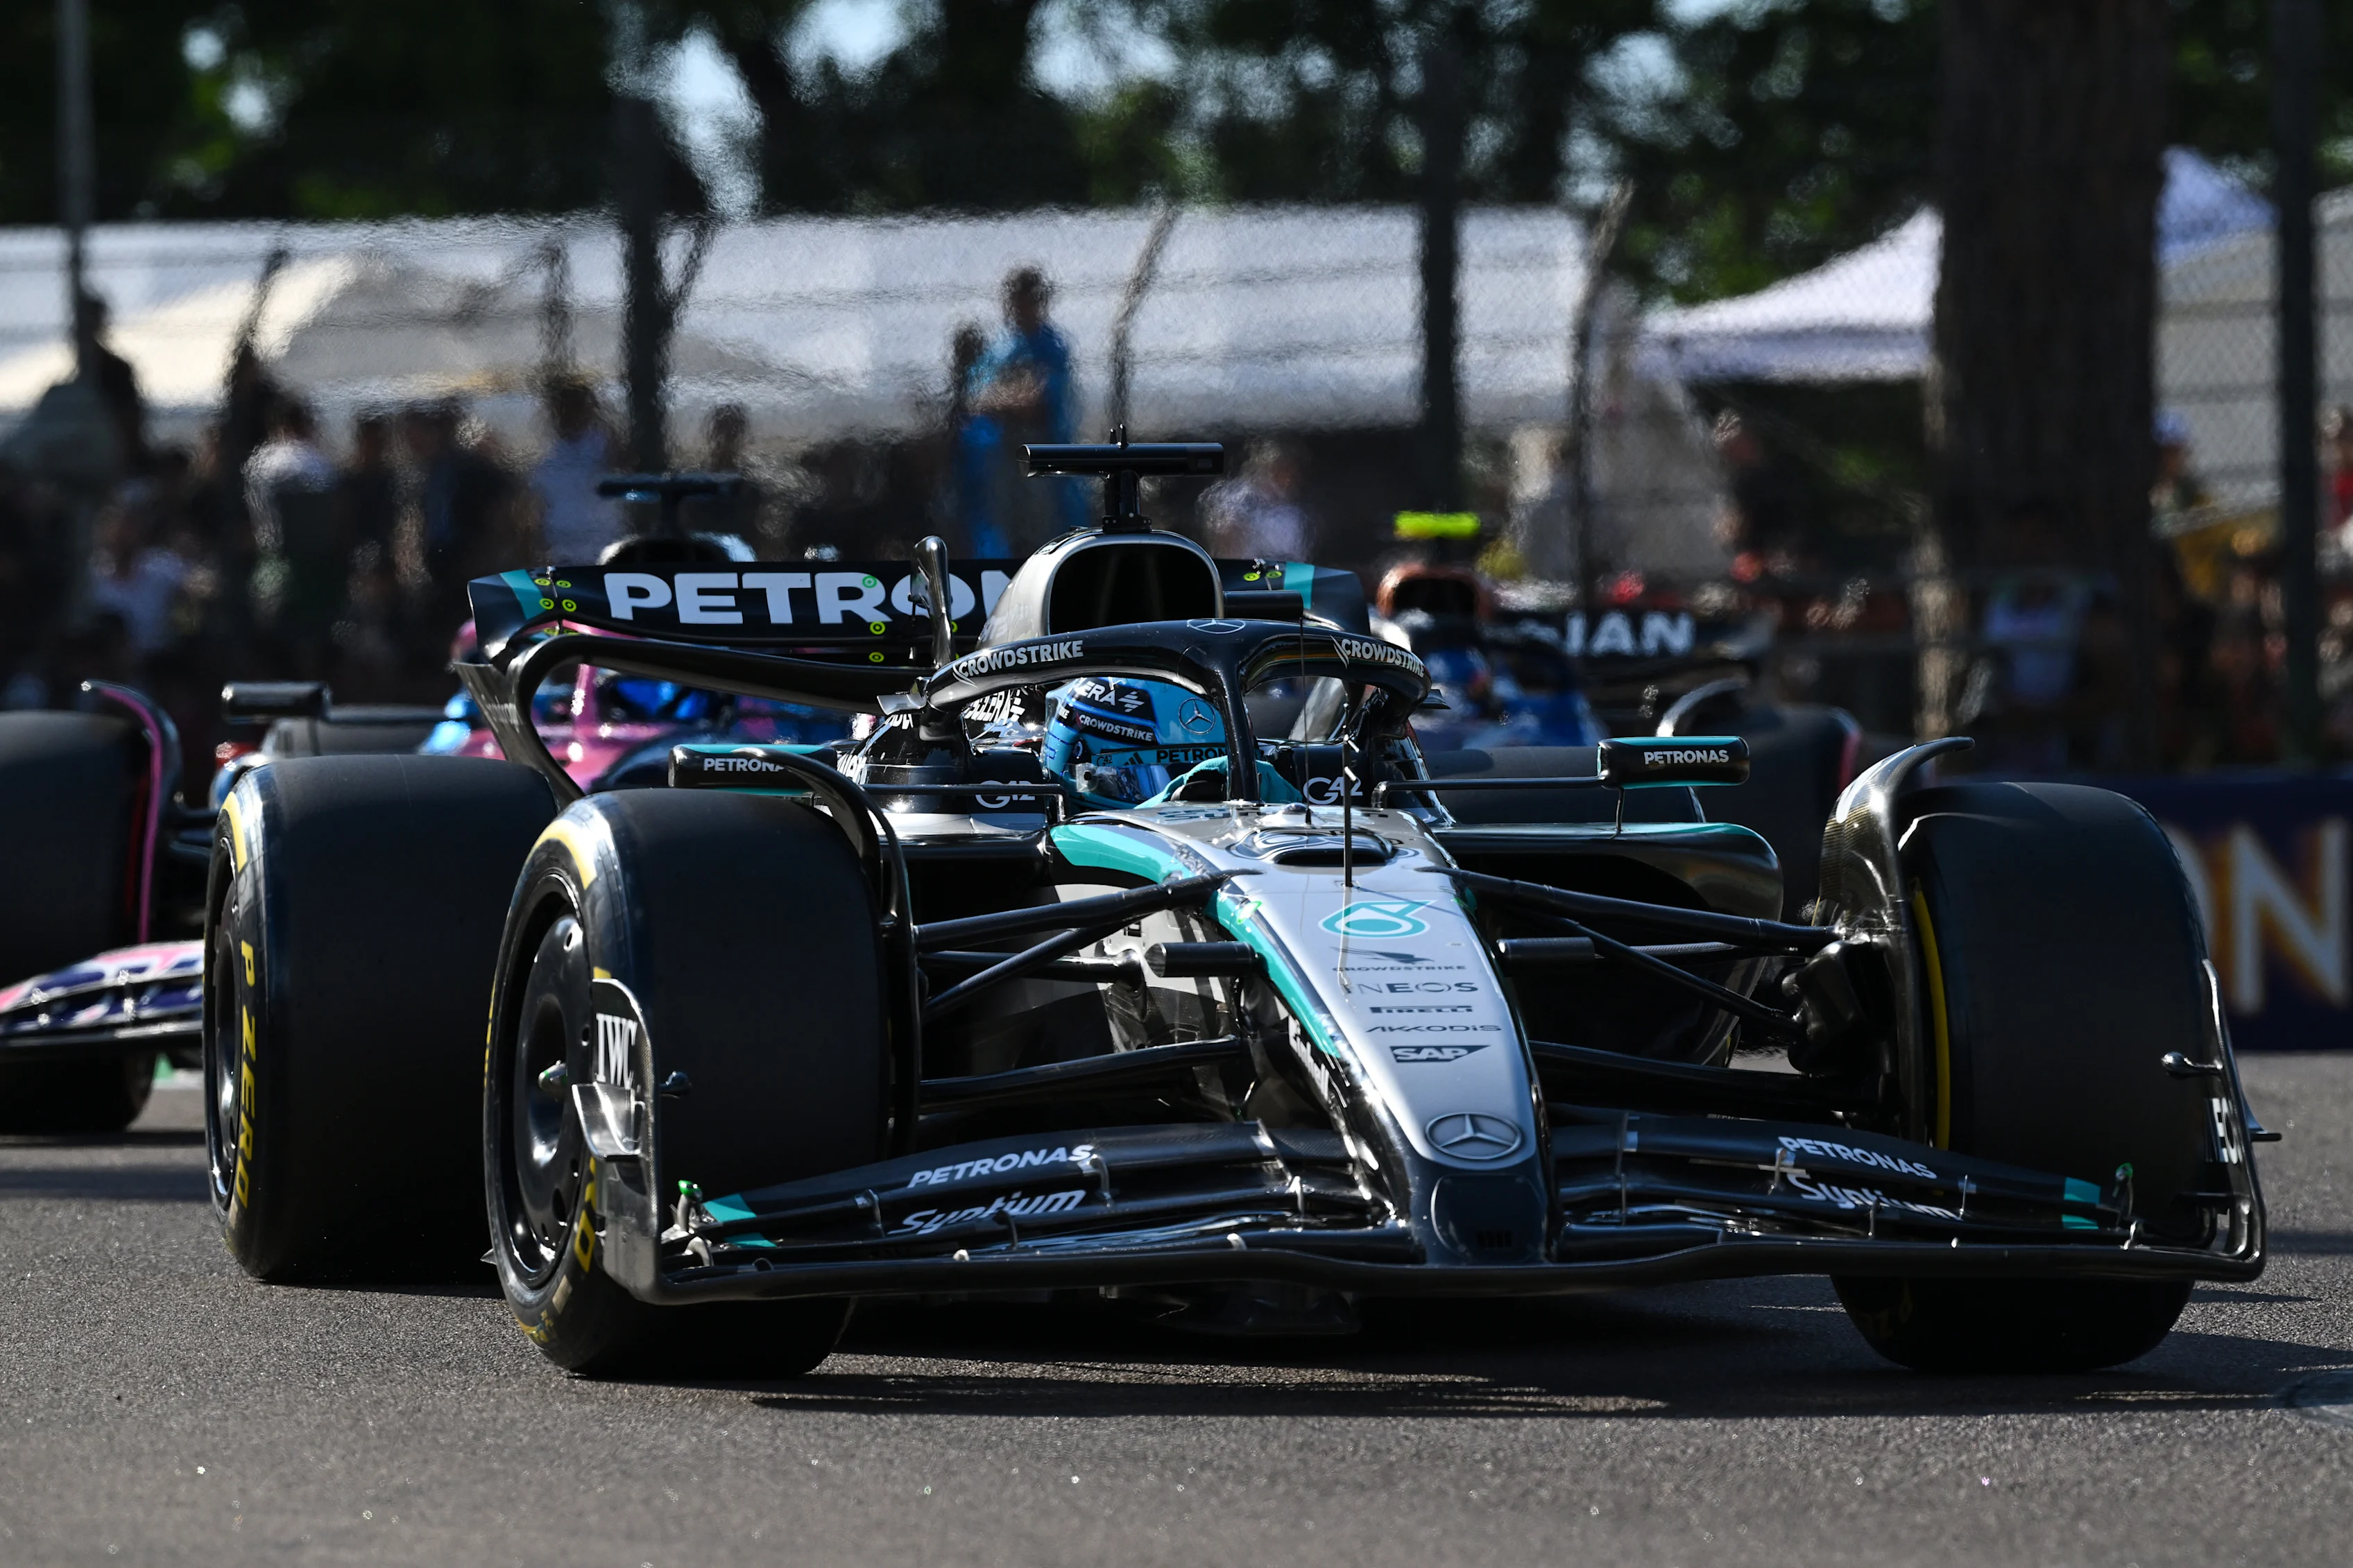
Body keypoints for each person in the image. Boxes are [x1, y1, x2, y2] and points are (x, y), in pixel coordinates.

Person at [970, 268, 1086, 549]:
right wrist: (1009, 398)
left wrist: (1006, 399)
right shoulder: (1001, 348)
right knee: (1001, 521)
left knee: (1041, 526)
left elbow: (1034, 400)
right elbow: (977, 399)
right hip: (1002, 451)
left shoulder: (1051, 346)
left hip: (1041, 449)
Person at [527, 378, 623, 564]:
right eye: (561, 409)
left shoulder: (602, 444)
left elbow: (623, 462)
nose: (566, 414)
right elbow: (536, 503)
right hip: (559, 547)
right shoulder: (549, 452)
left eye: (574, 407)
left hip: (601, 543)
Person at [1201, 440, 1311, 560]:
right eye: (1283, 470)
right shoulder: (1234, 501)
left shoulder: (1295, 516)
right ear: (1269, 468)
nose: (1289, 480)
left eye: (1293, 474)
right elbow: (1228, 555)